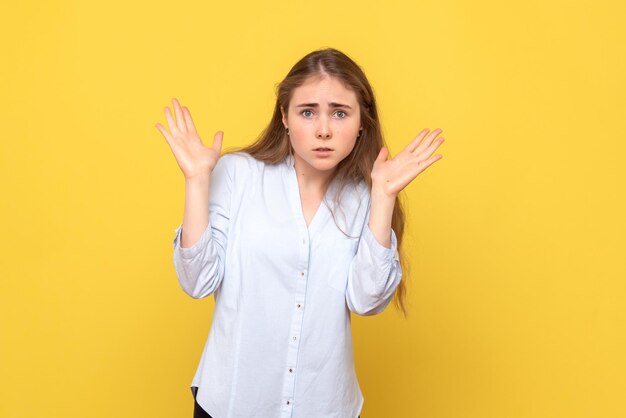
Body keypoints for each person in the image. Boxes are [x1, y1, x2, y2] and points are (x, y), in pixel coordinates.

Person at [155, 48, 445, 418]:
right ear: (285, 117)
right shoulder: (237, 175)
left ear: (361, 122)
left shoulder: (365, 195)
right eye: (307, 112)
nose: (323, 129)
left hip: (323, 406)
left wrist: (383, 196)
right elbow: (197, 282)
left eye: (340, 113)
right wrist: (197, 181)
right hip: (231, 404)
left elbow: (367, 301)